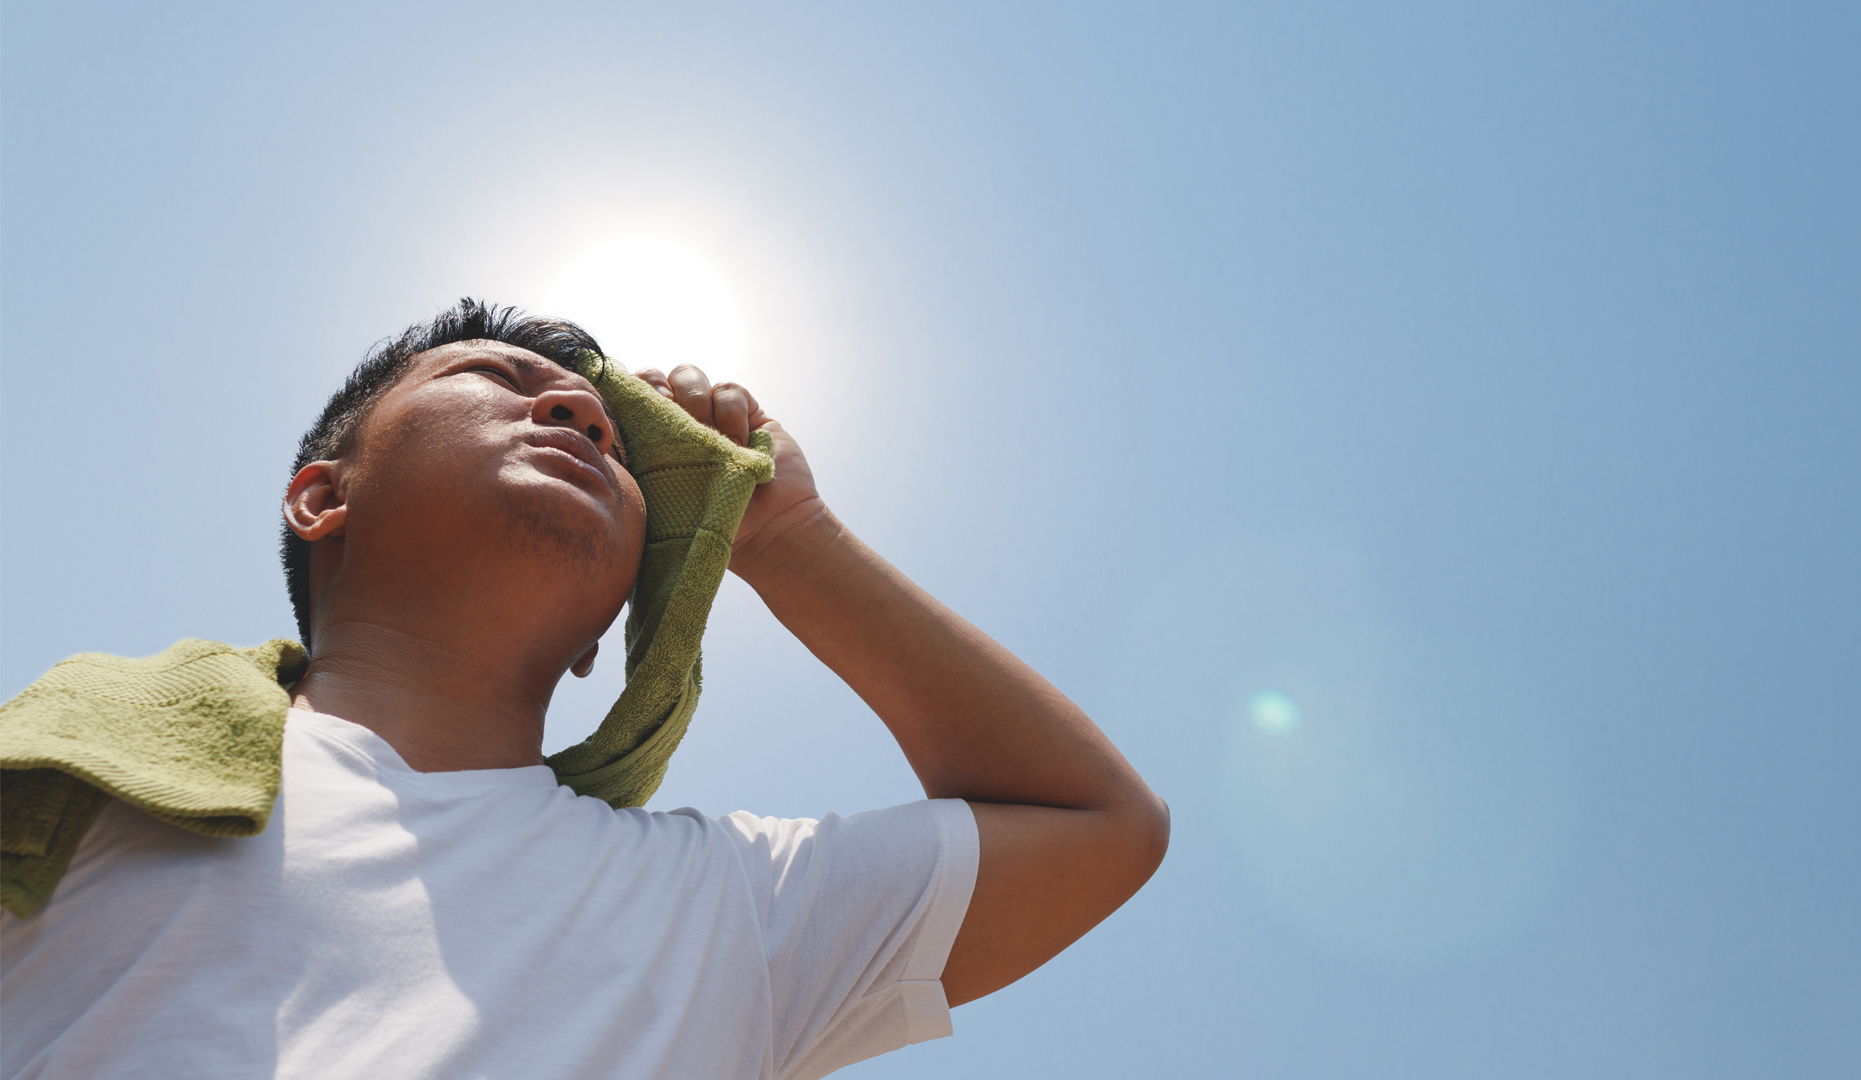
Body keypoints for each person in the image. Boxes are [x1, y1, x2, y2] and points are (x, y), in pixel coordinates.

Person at [0, 300, 1168, 1079]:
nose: (575, 413)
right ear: (322, 498)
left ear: (601, 640)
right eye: (496, 379)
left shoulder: (726, 910)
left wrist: (790, 534)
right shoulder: (76, 774)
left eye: (613, 439)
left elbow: (1098, 827)